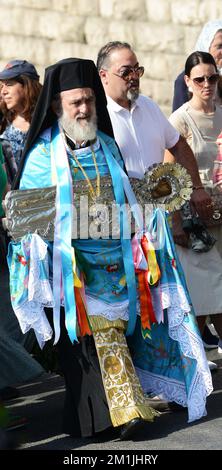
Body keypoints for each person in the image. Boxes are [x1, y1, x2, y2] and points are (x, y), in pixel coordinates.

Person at [6, 58, 212, 440]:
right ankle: (125, 411)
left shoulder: (107, 147)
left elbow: (129, 201)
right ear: (56, 107)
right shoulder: (41, 157)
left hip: (118, 266)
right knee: (98, 340)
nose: (84, 109)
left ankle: (107, 416)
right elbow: (29, 222)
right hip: (73, 273)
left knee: (118, 335)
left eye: (88, 101)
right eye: (76, 103)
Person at [97, 40, 218, 355]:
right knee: (135, 308)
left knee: (169, 300)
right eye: (126, 71)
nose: (134, 76)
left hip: (159, 225)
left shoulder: (149, 106)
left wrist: (196, 189)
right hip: (121, 232)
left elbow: (177, 146)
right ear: (103, 76)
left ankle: (181, 365)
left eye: (137, 69)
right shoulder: (97, 118)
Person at [169, 51, 222, 355]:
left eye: (212, 78)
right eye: (200, 79)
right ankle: (189, 358)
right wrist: (176, 222)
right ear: (188, 82)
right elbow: (169, 177)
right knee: (206, 295)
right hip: (196, 223)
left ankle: (192, 358)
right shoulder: (180, 120)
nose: (207, 84)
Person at [0, 59, 42, 185]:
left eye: (9, 84)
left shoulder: (46, 122)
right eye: (2, 86)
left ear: (27, 86)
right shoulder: (3, 120)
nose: (3, 91)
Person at [172, 19, 222, 112]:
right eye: (219, 46)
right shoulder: (184, 81)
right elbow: (178, 123)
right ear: (206, 45)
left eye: (213, 79)